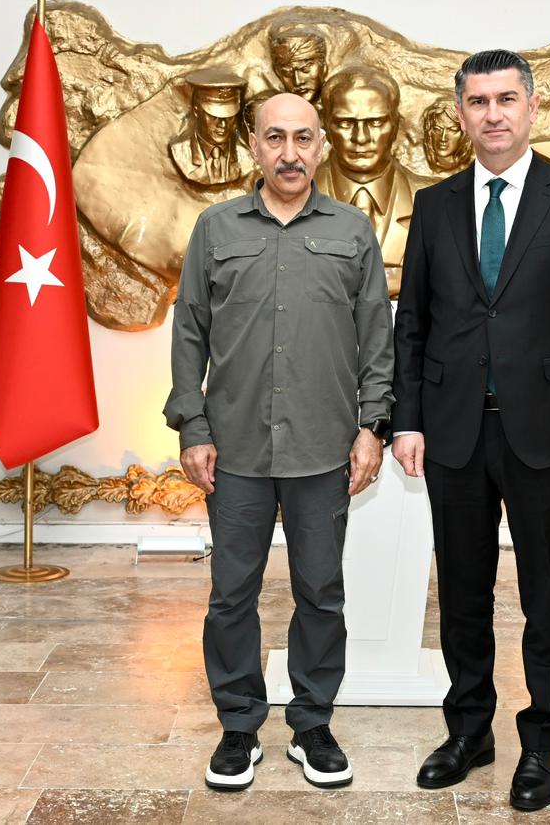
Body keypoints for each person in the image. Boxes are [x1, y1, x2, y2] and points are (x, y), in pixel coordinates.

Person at [392, 49, 550, 812]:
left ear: (532, 107)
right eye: (478, 101)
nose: (492, 114)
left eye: (505, 99)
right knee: (462, 594)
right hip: (453, 432)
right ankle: (469, 732)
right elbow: (413, 324)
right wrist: (406, 420)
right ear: (460, 114)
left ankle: (542, 743)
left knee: (549, 598)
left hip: (549, 435)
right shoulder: (433, 206)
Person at [164, 92, 394, 792]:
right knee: (231, 594)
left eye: (302, 138)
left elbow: (376, 339)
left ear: (321, 146)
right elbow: (189, 331)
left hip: (324, 450)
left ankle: (312, 723)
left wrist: (372, 427)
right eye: (274, 138)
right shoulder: (215, 228)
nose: (289, 153)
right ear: (255, 147)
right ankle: (238, 726)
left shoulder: (353, 230)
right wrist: (193, 427)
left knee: (320, 592)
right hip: (234, 451)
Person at [314, 64, 427, 296]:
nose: (361, 138)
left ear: (395, 125)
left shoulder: (435, 201)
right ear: (325, 126)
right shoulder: (295, 198)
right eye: (346, 123)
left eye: (375, 122)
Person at [169, 68, 254, 187]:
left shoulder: (246, 156)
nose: (222, 125)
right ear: (196, 109)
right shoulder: (180, 151)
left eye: (229, 117)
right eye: (214, 116)